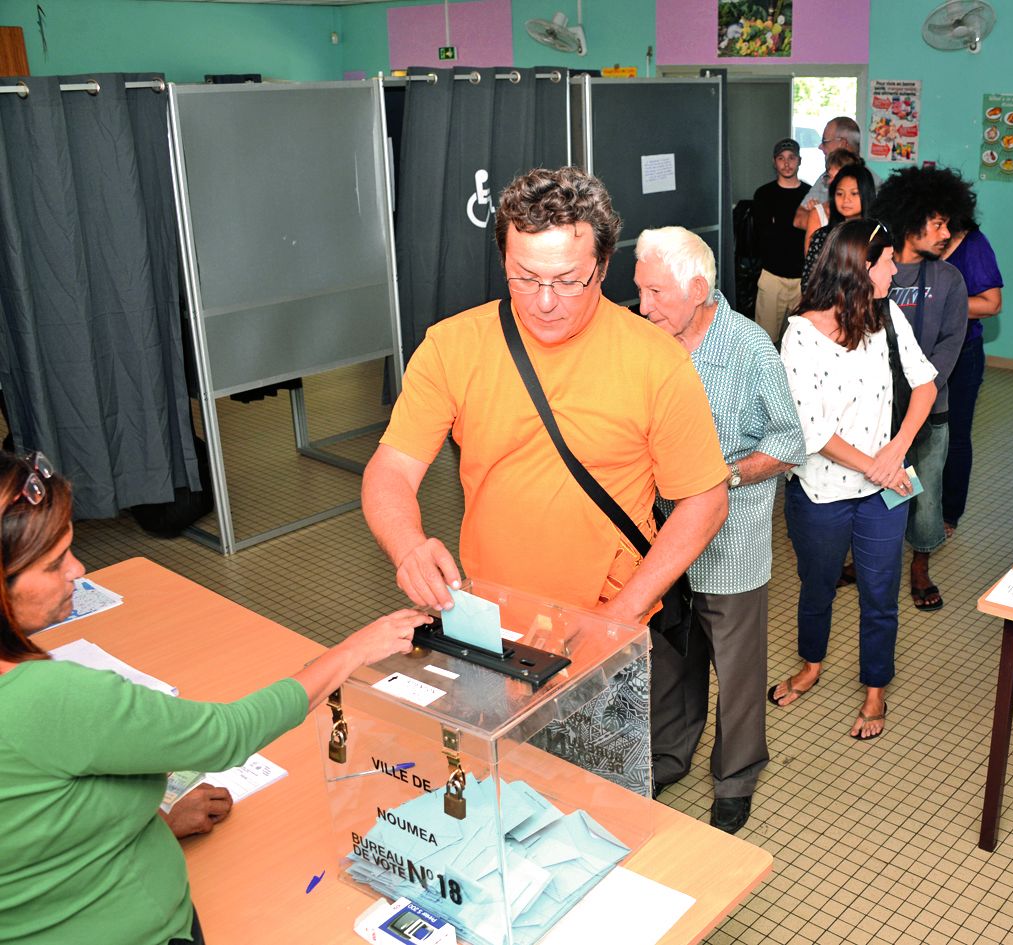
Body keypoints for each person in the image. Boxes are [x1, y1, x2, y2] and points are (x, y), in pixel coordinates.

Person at [0, 450, 431, 945]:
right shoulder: (48, 698)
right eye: (54, 564)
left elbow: (28, 822)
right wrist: (355, 649)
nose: (79, 569)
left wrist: (155, 820)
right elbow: (227, 735)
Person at [363, 167, 728, 624]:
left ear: (605, 266)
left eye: (568, 280)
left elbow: (705, 501)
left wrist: (618, 616)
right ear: (504, 262)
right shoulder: (453, 347)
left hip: (608, 616)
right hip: (488, 613)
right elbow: (391, 469)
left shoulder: (656, 360)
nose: (545, 301)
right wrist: (409, 548)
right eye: (525, 278)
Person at [634, 227, 806, 834]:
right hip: (656, 541)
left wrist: (720, 479)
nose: (643, 304)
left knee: (736, 670)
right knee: (671, 661)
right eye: (640, 290)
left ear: (698, 289)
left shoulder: (749, 347)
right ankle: (665, 757)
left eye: (655, 292)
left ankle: (735, 777)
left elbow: (789, 443)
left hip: (731, 543)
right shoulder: (644, 344)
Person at [770, 220, 937, 741]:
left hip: (882, 490)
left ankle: (875, 689)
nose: (895, 268)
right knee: (817, 586)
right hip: (821, 493)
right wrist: (876, 464)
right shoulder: (799, 335)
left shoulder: (885, 317)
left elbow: (927, 384)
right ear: (860, 268)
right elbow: (812, 430)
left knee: (881, 591)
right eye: (887, 261)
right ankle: (812, 664)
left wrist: (897, 449)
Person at [870, 167, 970, 611]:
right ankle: (879, 560)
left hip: (932, 410)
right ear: (910, 221)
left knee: (925, 493)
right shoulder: (872, 271)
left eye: (949, 222)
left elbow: (952, 342)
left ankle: (920, 565)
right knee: (882, 489)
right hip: (876, 411)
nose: (947, 232)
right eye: (938, 223)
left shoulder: (949, 279)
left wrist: (924, 389)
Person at [936, 189, 1003, 539]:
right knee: (911, 435)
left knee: (955, 436)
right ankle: (905, 508)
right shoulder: (917, 240)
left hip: (963, 353)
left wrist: (942, 300)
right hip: (921, 354)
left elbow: (992, 304)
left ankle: (949, 513)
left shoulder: (974, 244)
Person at [751, 138, 812, 345]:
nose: (787, 163)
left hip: (802, 280)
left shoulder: (810, 195)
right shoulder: (763, 195)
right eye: (781, 158)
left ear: (799, 161)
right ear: (774, 162)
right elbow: (765, 235)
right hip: (772, 277)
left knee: (801, 341)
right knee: (764, 341)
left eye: (792, 158)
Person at [801, 163, 876, 284]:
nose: (846, 200)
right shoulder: (823, 236)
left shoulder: (878, 235)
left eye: (854, 193)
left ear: (866, 194)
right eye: (840, 193)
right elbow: (810, 279)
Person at [792, 115, 869, 231]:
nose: (820, 147)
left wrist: (819, 215)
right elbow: (799, 220)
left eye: (825, 141)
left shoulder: (870, 182)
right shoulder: (826, 178)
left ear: (842, 144)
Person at [802, 149, 865, 254]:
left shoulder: (867, 214)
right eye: (829, 176)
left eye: (836, 177)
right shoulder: (818, 213)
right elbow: (811, 258)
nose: (831, 181)